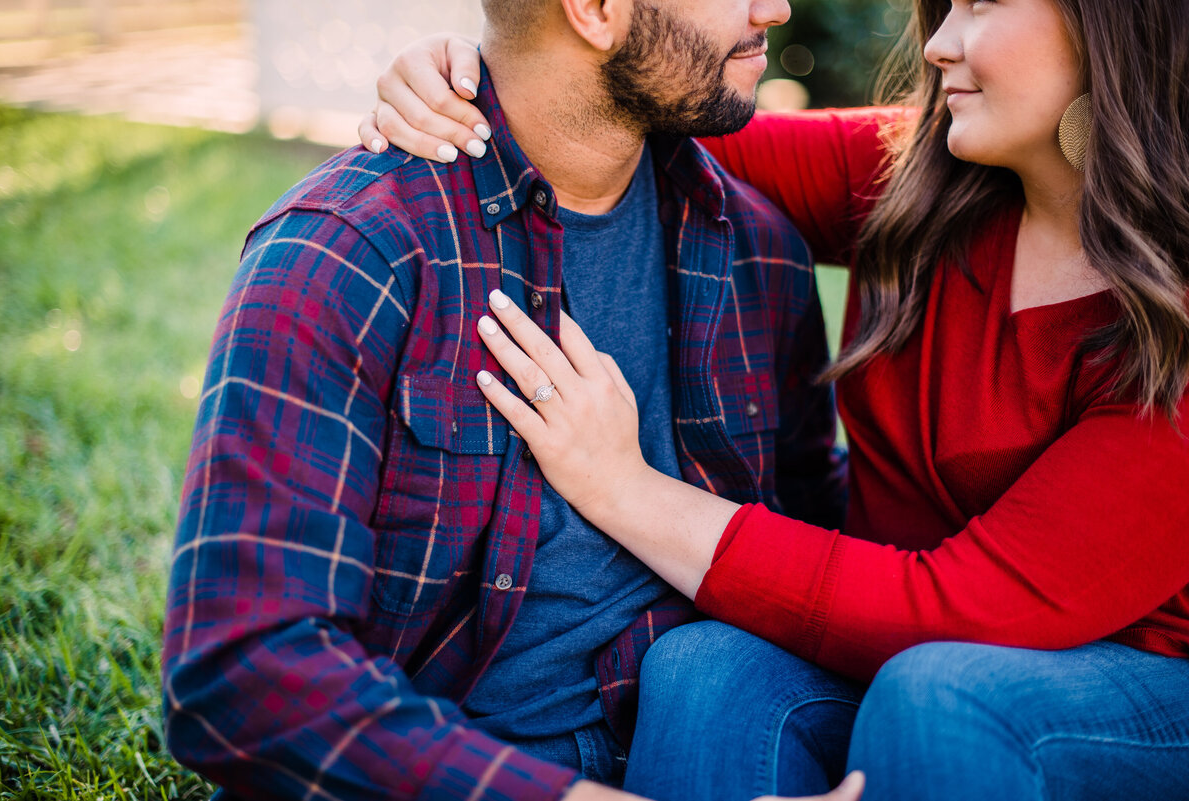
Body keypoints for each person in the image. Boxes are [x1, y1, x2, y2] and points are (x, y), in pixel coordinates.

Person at [360, 0, 1189, 799]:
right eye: (943, 9)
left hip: (1129, 688)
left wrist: (626, 488)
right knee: (703, 666)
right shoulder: (922, 174)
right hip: (896, 653)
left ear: (1108, 25)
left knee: (942, 696)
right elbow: (644, 107)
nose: (939, 46)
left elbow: (957, 609)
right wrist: (469, 81)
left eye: (984, 5)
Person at [161, 1, 860, 800]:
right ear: (595, 11)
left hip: (701, 729)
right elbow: (243, 671)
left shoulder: (757, 247)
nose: (776, 8)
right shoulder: (348, 252)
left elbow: (813, 539)